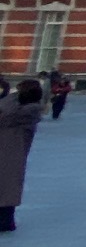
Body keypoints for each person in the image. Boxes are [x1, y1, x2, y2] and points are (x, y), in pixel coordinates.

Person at [1, 75, 44, 231]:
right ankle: (6, 221)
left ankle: (5, 222)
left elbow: (6, 112)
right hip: (9, 153)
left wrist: (11, 95)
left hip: (10, 155)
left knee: (6, 188)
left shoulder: (24, 112)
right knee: (7, 188)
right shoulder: (26, 111)